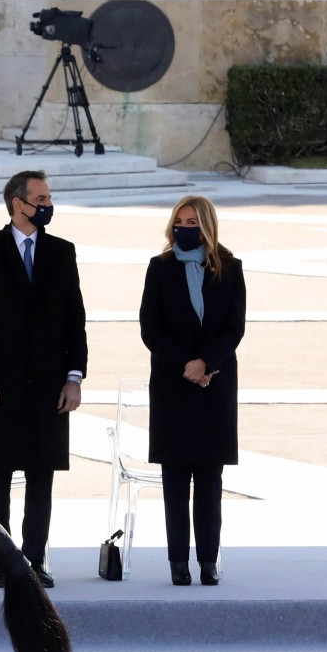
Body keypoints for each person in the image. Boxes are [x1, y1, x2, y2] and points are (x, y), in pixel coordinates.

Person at [0, 169, 89, 587]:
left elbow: (75, 320)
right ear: (19, 204)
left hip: (49, 385)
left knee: (41, 474)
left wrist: (74, 378)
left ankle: (32, 561)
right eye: (41, 198)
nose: (48, 205)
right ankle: (2, 561)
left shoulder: (62, 252)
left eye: (49, 198)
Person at [140, 194, 246, 587]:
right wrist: (186, 365)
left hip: (214, 387)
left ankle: (208, 562)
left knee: (209, 483)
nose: (185, 228)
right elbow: (151, 328)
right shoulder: (160, 268)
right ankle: (178, 564)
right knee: (175, 483)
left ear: (207, 227)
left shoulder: (230, 268)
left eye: (193, 222)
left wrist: (207, 364)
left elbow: (234, 328)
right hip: (173, 387)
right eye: (179, 221)